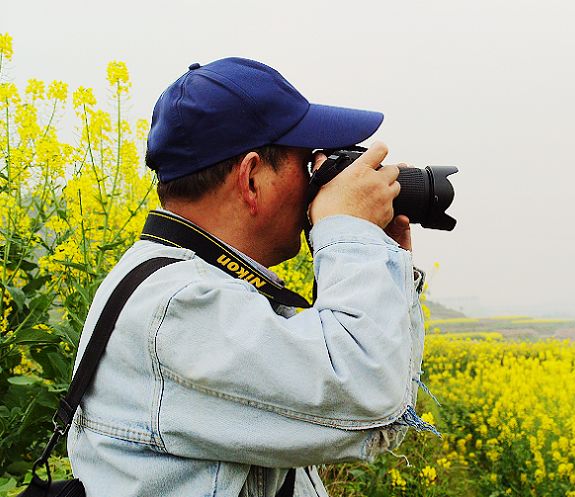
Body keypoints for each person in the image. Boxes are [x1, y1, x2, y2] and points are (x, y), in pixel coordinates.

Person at [67, 57, 434, 497]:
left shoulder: (204, 287)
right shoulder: (176, 307)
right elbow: (363, 399)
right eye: (308, 167)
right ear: (251, 178)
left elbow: (378, 419)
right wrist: (349, 234)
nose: (317, 185)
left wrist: (385, 259)